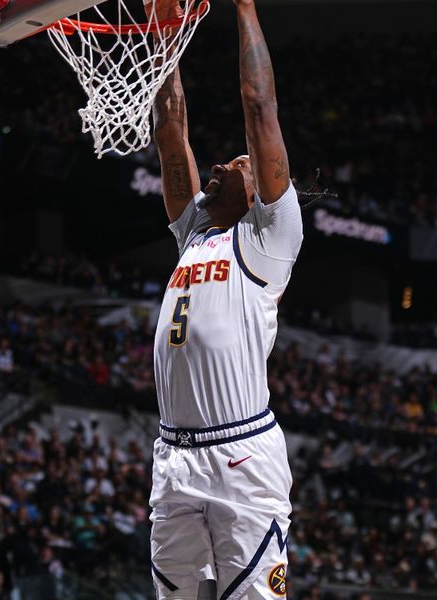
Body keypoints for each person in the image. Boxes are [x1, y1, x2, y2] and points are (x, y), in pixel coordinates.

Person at [148, 0, 301, 597]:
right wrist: (166, 26)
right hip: (173, 459)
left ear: (261, 188)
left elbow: (260, 108)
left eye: (235, 164)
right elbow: (169, 129)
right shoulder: (194, 233)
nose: (217, 164)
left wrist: (242, 6)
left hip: (241, 457)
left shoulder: (268, 239)